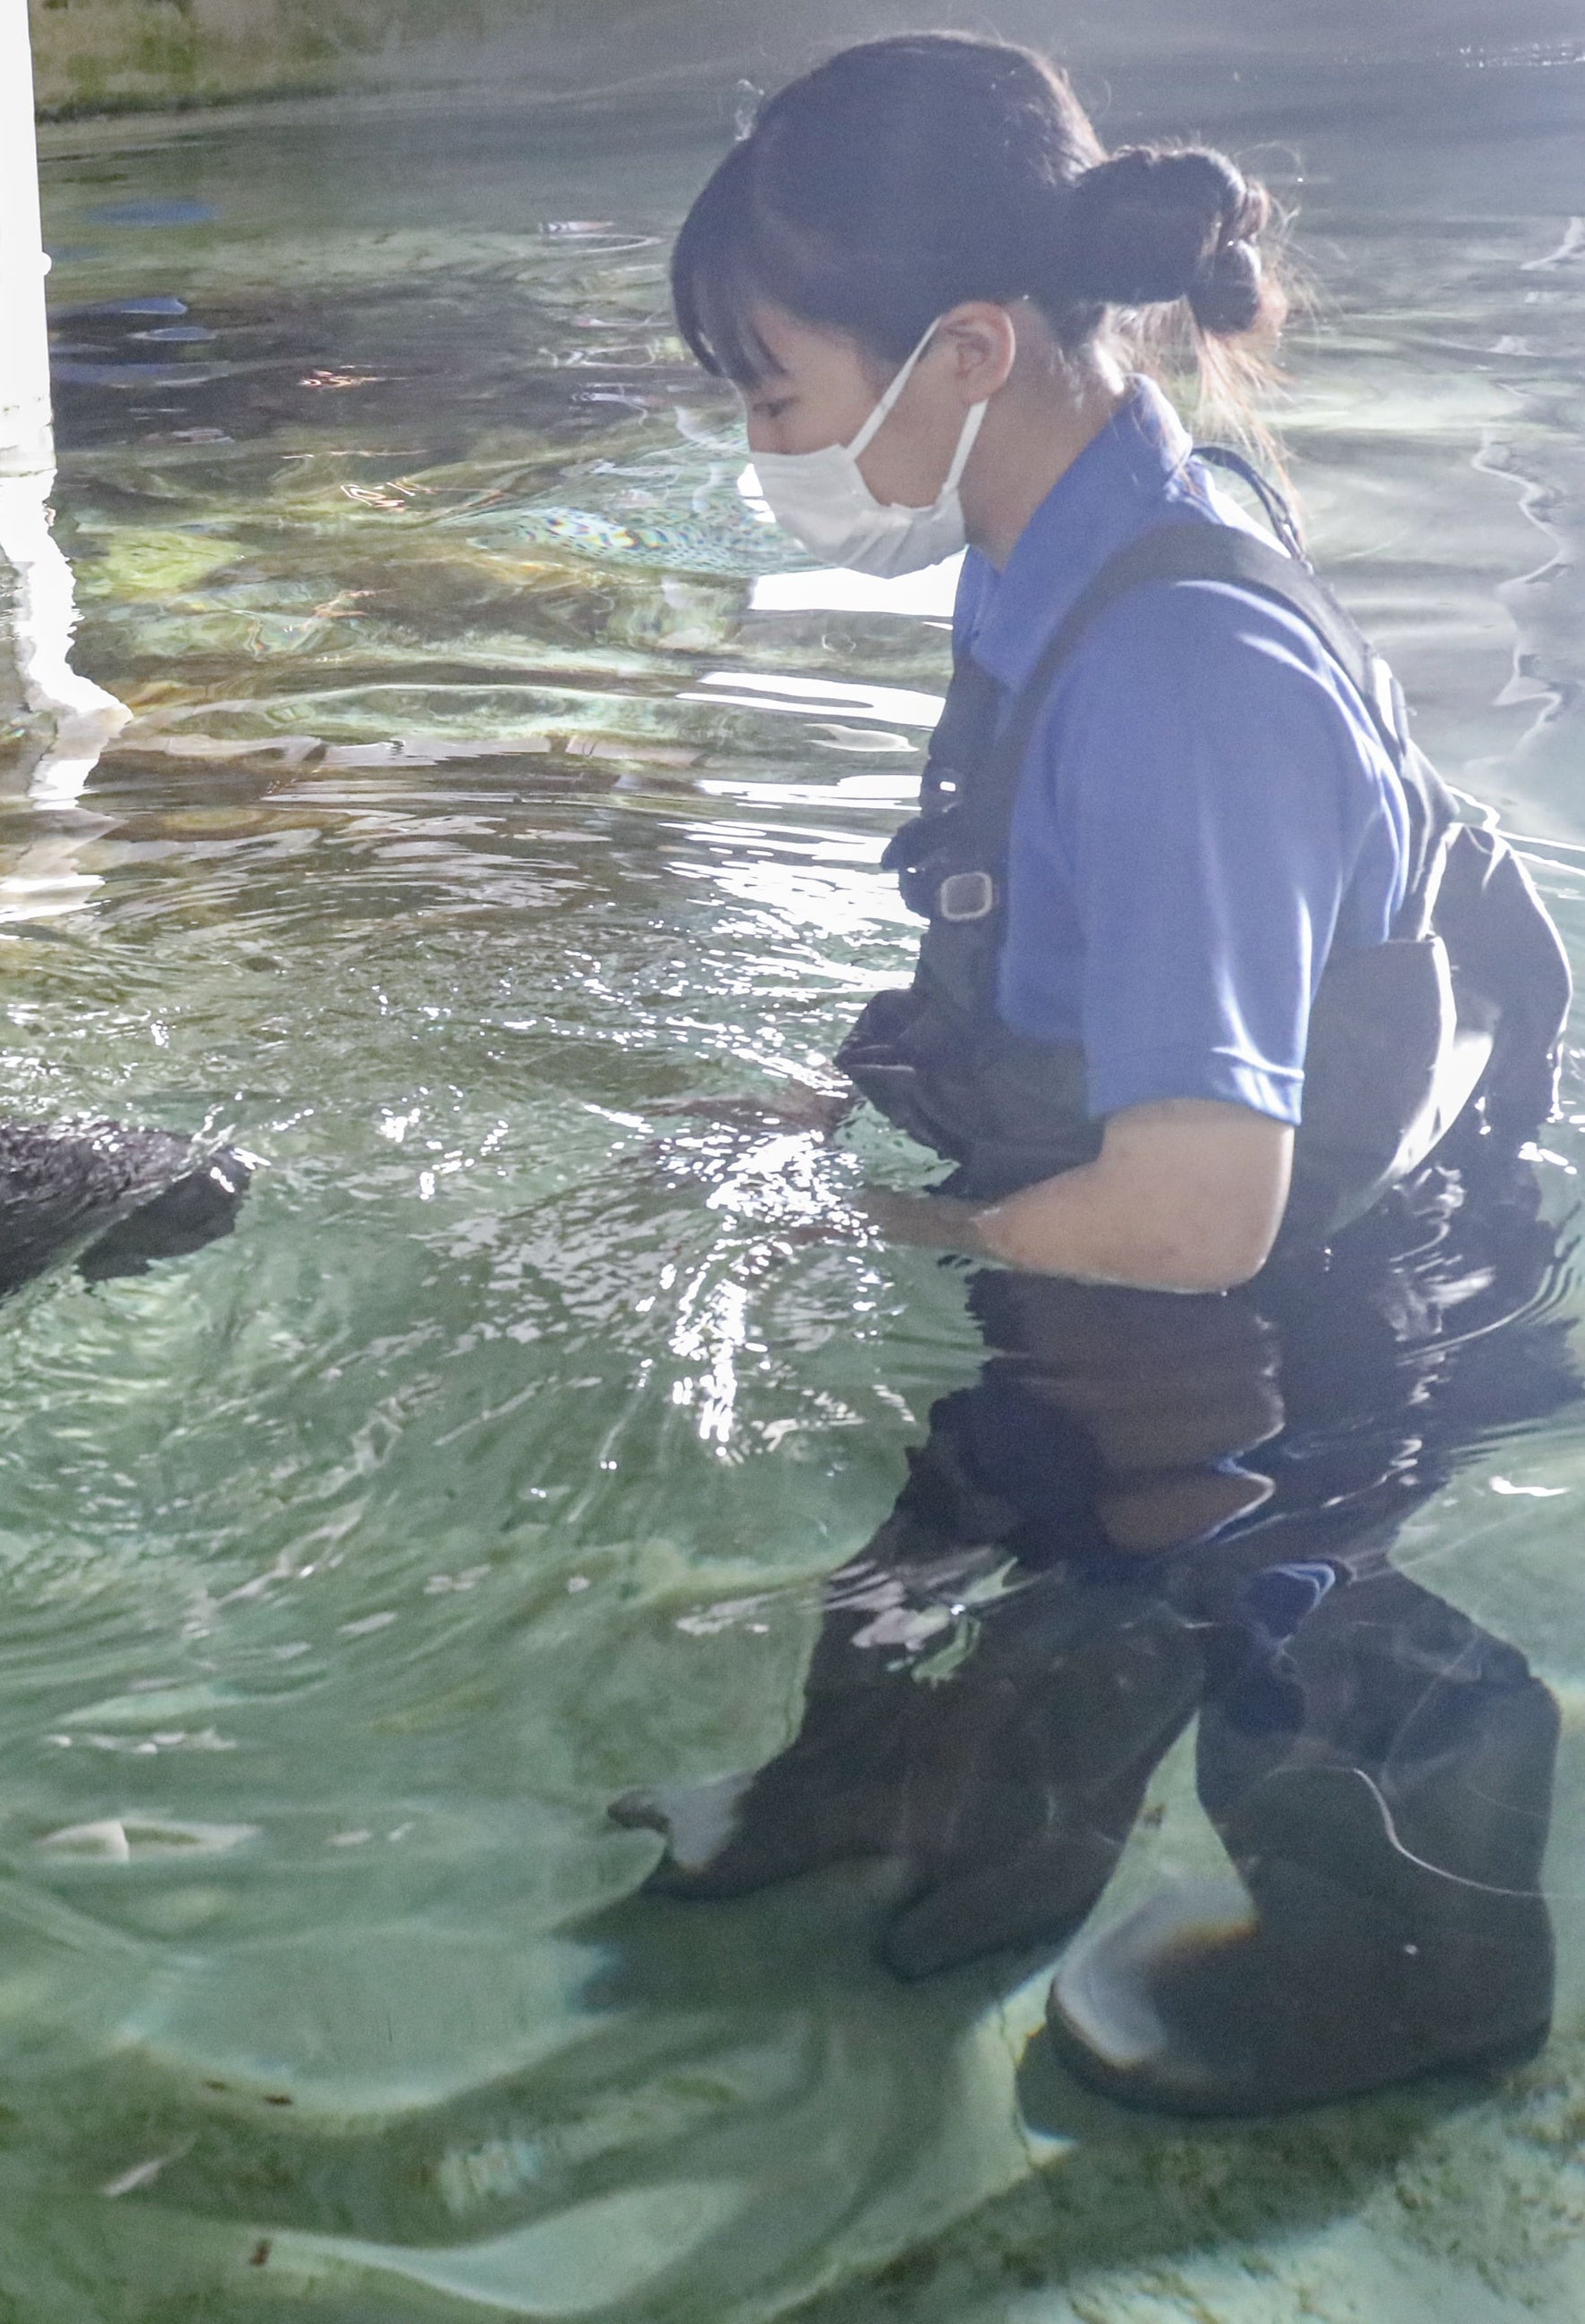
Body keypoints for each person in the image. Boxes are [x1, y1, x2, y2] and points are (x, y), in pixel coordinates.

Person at [608, 32, 1577, 2116]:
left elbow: (1193, 1209)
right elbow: (1032, 923)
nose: (760, 438)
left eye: (772, 385)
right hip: (1174, 1197)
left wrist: (851, 1223)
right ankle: (922, 1824)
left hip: (1290, 1288)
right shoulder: (1065, 518)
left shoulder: (1177, 671)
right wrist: (830, 1097)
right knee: (956, 1528)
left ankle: (1422, 1962)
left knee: (1238, 1585)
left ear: (960, 348)